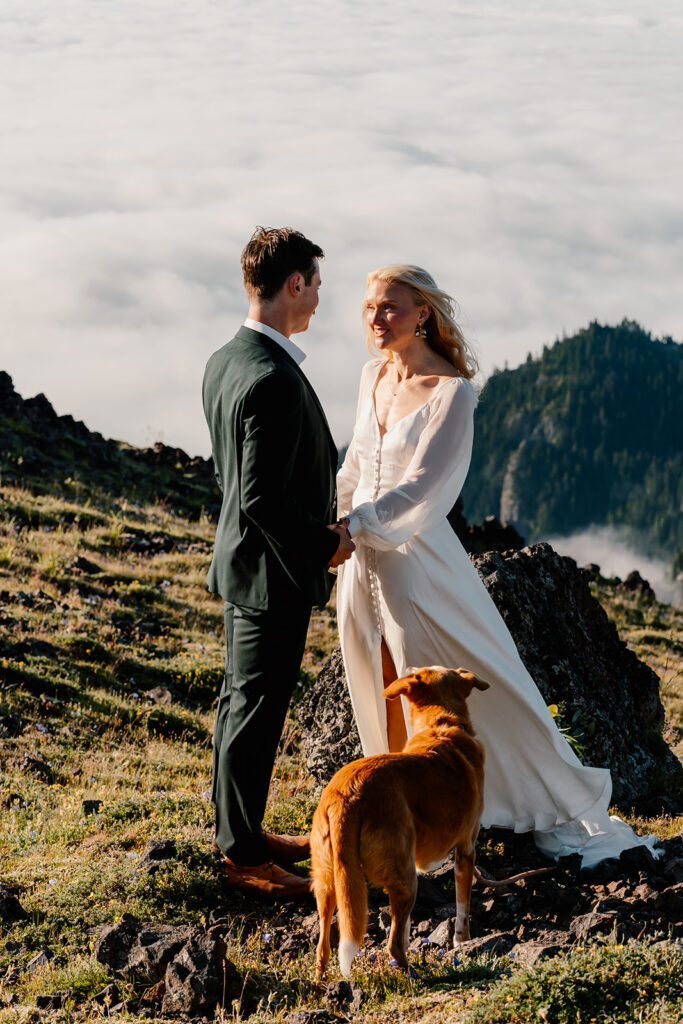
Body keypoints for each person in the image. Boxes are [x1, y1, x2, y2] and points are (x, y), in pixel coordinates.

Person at [336, 264, 658, 869]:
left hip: (417, 563)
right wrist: (338, 526)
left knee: (450, 681)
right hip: (360, 562)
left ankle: (521, 796)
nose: (376, 320)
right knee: (377, 678)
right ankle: (402, 813)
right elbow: (354, 464)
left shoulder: (451, 392)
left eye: (391, 308)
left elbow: (427, 489)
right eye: (370, 308)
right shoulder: (372, 376)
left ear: (423, 313)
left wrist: (355, 526)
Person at [202, 226, 355, 898]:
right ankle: (241, 859)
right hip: (271, 575)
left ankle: (242, 831)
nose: (320, 298)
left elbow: (235, 479)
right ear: (294, 283)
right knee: (254, 711)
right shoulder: (270, 378)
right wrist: (326, 544)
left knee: (242, 704)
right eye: (316, 284)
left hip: (248, 566)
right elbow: (261, 495)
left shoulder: (226, 359)